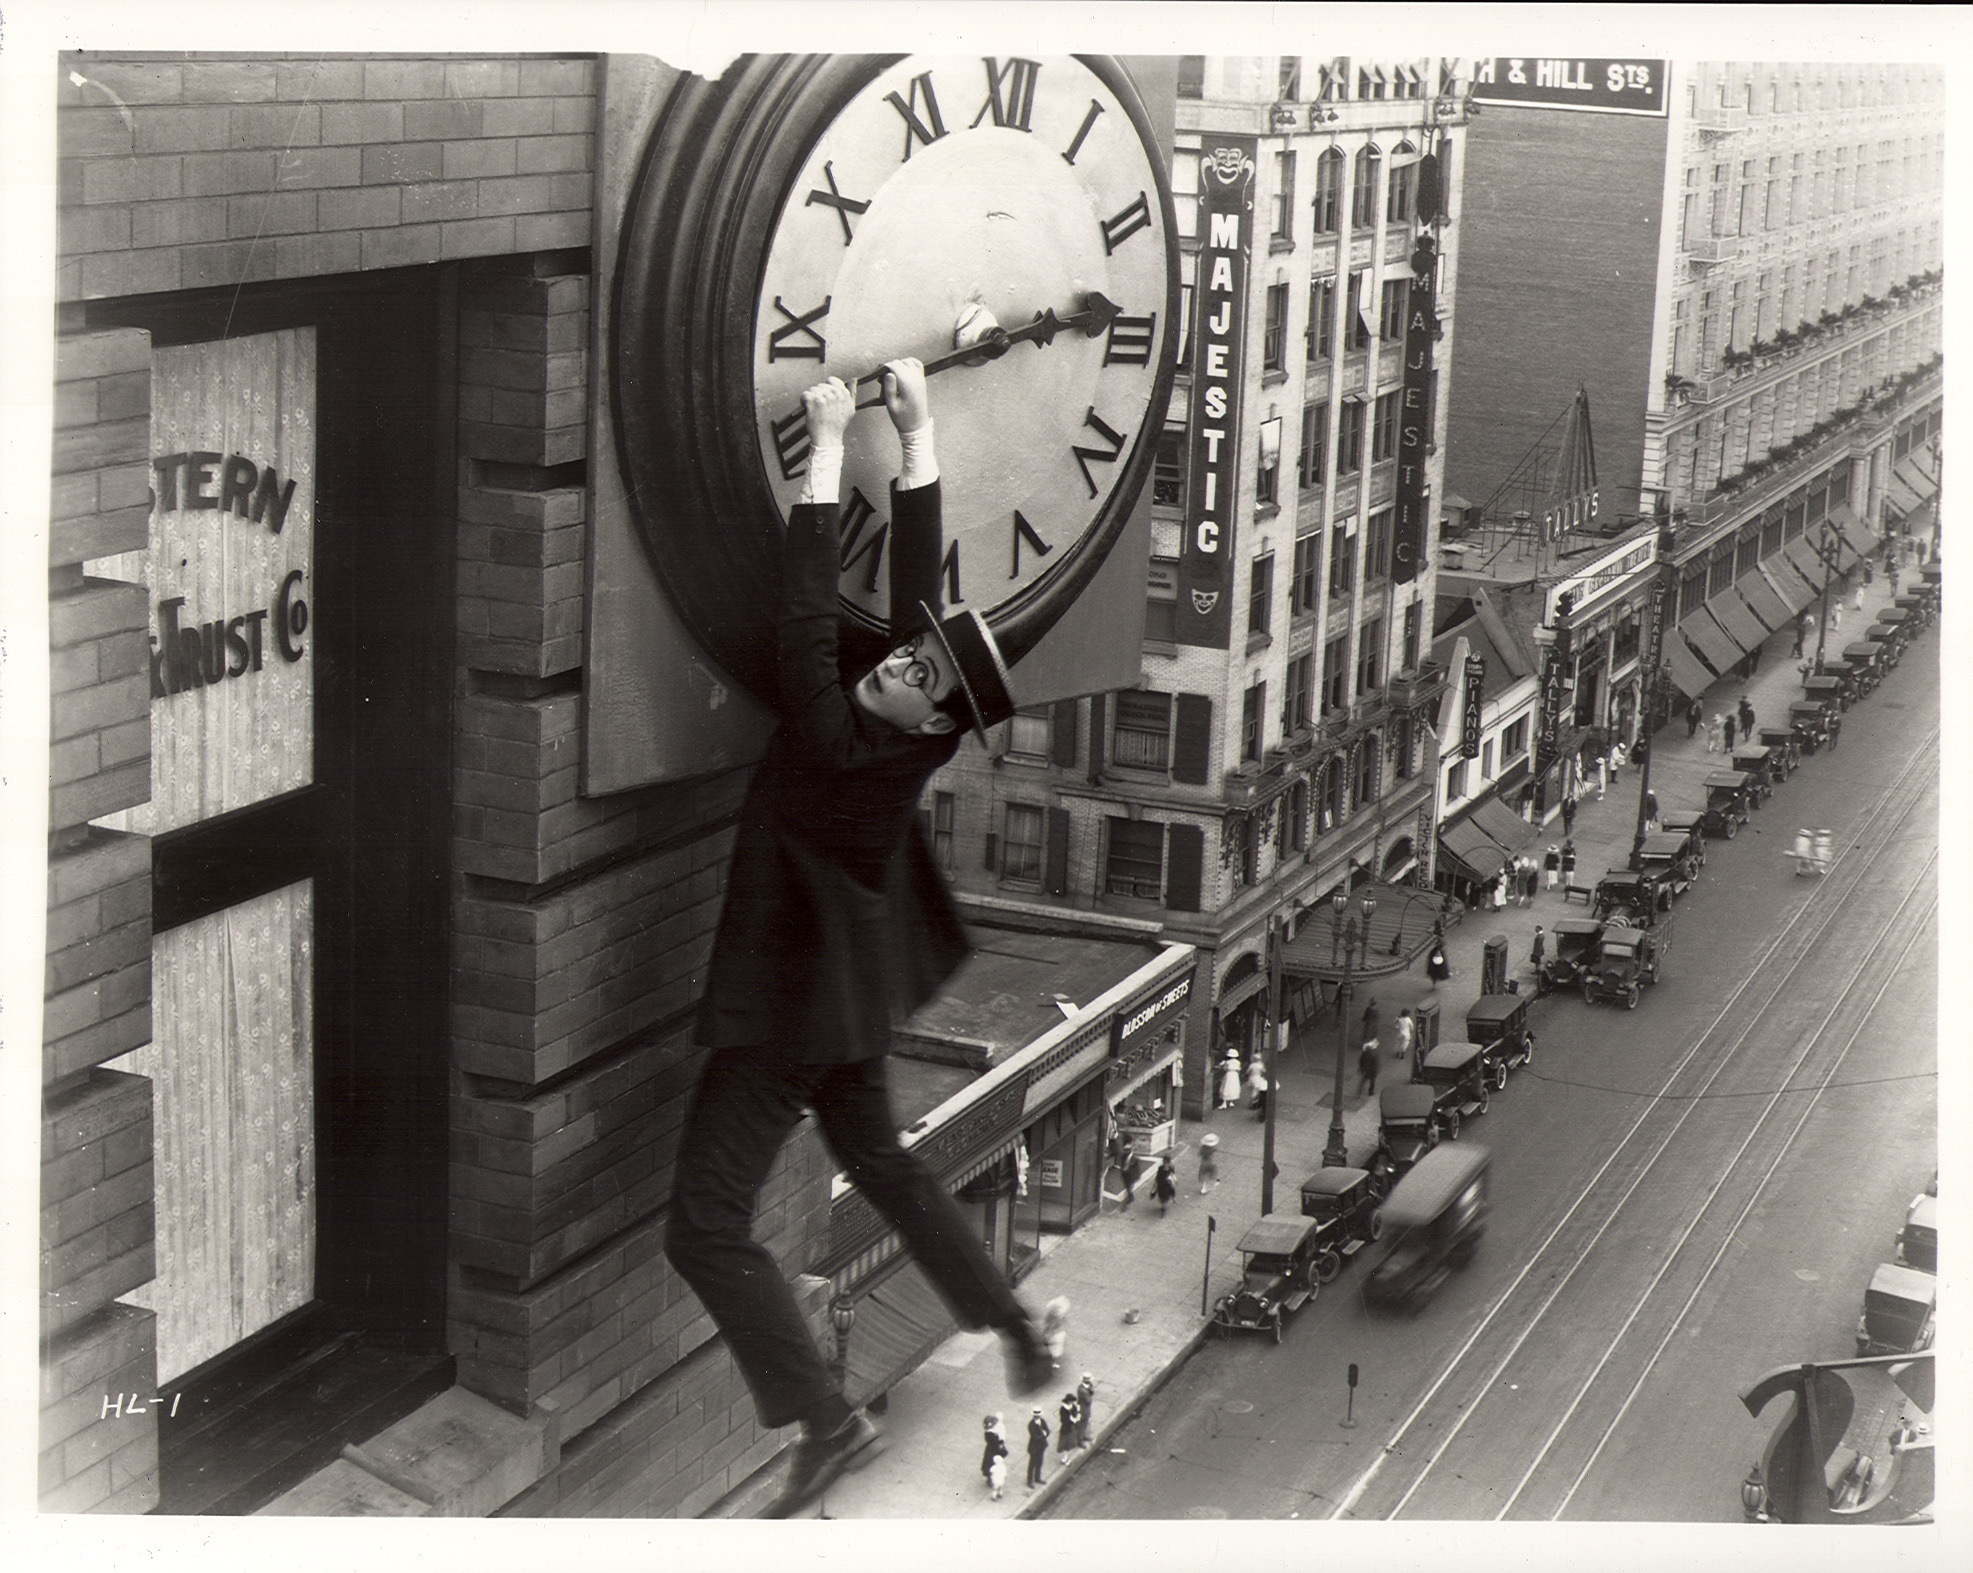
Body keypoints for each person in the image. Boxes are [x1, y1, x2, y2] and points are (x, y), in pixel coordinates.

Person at [667, 360, 1060, 1519]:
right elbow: (913, 612)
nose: (893, 660)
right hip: (841, 999)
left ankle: (827, 1420)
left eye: (912, 673)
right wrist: (918, 433)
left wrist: (830, 446)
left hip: (788, 1016)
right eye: (904, 656)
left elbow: (804, 626)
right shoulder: (909, 735)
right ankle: (1009, 1321)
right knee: (881, 1162)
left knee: (703, 1228)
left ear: (929, 712)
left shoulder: (837, 743)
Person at [981, 1415, 1010, 1500]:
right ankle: (990, 1479)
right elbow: (995, 1443)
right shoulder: (990, 1434)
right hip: (992, 1451)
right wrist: (1000, 1443)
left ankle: (990, 1478)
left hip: (992, 1450)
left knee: (990, 1464)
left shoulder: (991, 1433)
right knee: (990, 1464)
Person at [1026, 1409, 1050, 1488]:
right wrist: (1043, 1435)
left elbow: (1047, 1430)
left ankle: (1037, 1477)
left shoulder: (1042, 1421)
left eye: (1038, 1416)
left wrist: (1045, 1434)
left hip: (1041, 1446)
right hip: (1034, 1447)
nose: (1037, 1417)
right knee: (1032, 1464)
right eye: (1035, 1416)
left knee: (1039, 1462)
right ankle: (1029, 1481)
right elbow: (1034, 1436)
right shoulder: (1031, 1425)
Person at [1057, 1393, 1082, 1465]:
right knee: (1065, 1443)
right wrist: (1072, 1420)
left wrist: (1077, 1414)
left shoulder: (1072, 1406)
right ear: (1067, 1401)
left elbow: (1075, 1413)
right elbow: (1063, 1420)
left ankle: (1067, 1457)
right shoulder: (1063, 1409)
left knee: (1070, 1442)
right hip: (1066, 1428)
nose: (1072, 1402)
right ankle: (1066, 1457)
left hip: (1072, 1427)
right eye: (1070, 1401)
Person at [1077, 1373, 1096, 1448]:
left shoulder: (1086, 1386)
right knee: (1083, 1424)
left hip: (1085, 1407)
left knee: (1085, 1423)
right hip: (1083, 1408)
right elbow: (1088, 1400)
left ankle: (1083, 1436)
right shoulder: (1082, 1390)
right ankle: (1080, 1440)